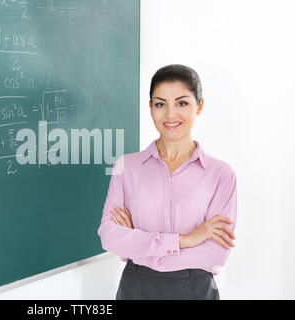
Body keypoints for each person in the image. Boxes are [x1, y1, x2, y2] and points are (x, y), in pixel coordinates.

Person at [97, 64, 238, 300]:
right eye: (160, 104)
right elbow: (109, 236)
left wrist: (138, 243)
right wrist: (186, 240)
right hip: (136, 288)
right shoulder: (127, 167)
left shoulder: (220, 174)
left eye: (182, 103)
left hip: (195, 291)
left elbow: (215, 254)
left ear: (199, 106)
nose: (170, 114)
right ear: (150, 107)